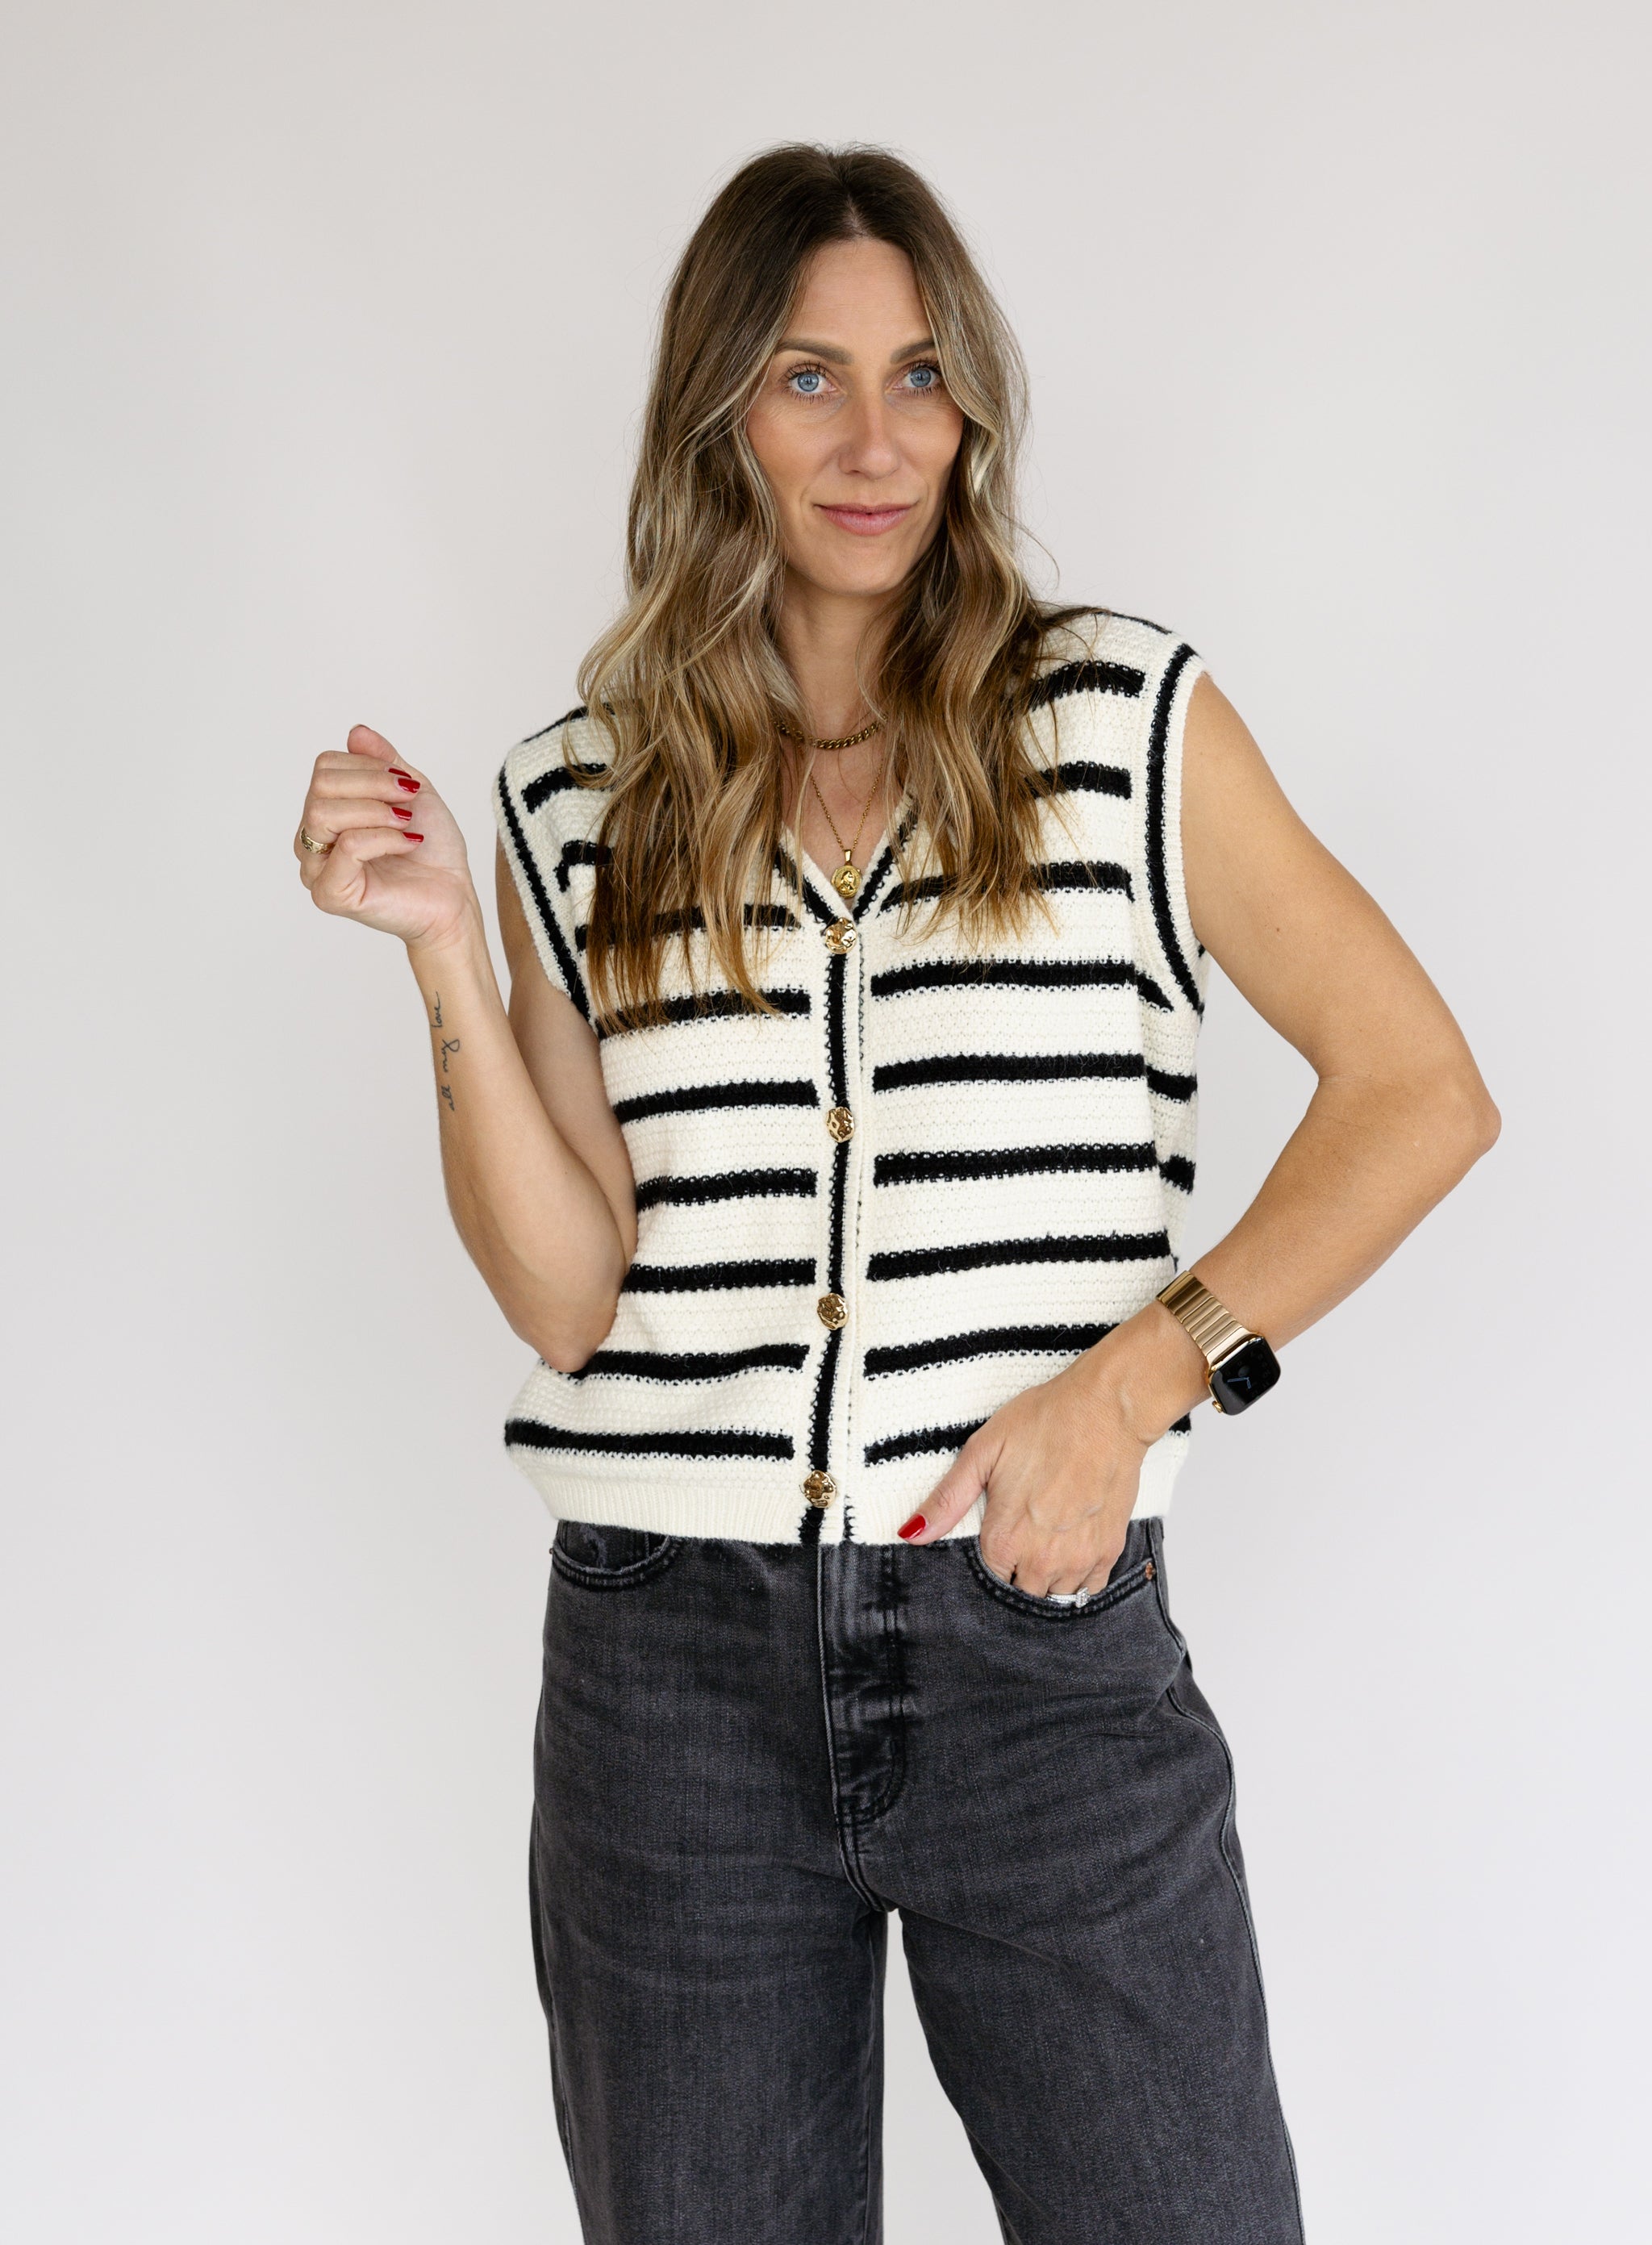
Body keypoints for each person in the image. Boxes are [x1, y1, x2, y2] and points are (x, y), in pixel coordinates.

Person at [293, 143, 1498, 2245]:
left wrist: (1132, 1387)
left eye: (922, 375)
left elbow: (1419, 1091)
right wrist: (444, 962)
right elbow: (574, 1299)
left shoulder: (1119, 722)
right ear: (717, 419)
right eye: (809, 377)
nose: (878, 440)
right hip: (669, 1669)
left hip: (1036, 1649)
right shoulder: (576, 800)